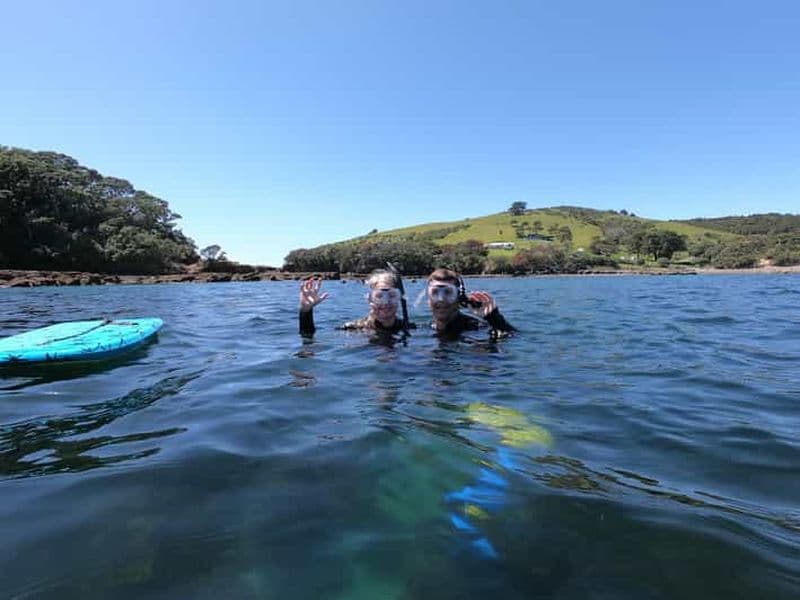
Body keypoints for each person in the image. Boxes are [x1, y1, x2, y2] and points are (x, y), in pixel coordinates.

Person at [298, 269, 414, 336]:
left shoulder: (409, 328)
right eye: (379, 296)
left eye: (392, 296)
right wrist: (306, 312)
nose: (386, 302)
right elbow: (308, 337)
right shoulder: (352, 329)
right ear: (369, 299)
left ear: (400, 298)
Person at [425, 268, 516, 338]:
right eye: (435, 292)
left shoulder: (477, 328)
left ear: (459, 298)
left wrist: (495, 319)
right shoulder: (425, 328)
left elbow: (514, 337)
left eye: (448, 292)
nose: (441, 299)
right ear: (428, 299)